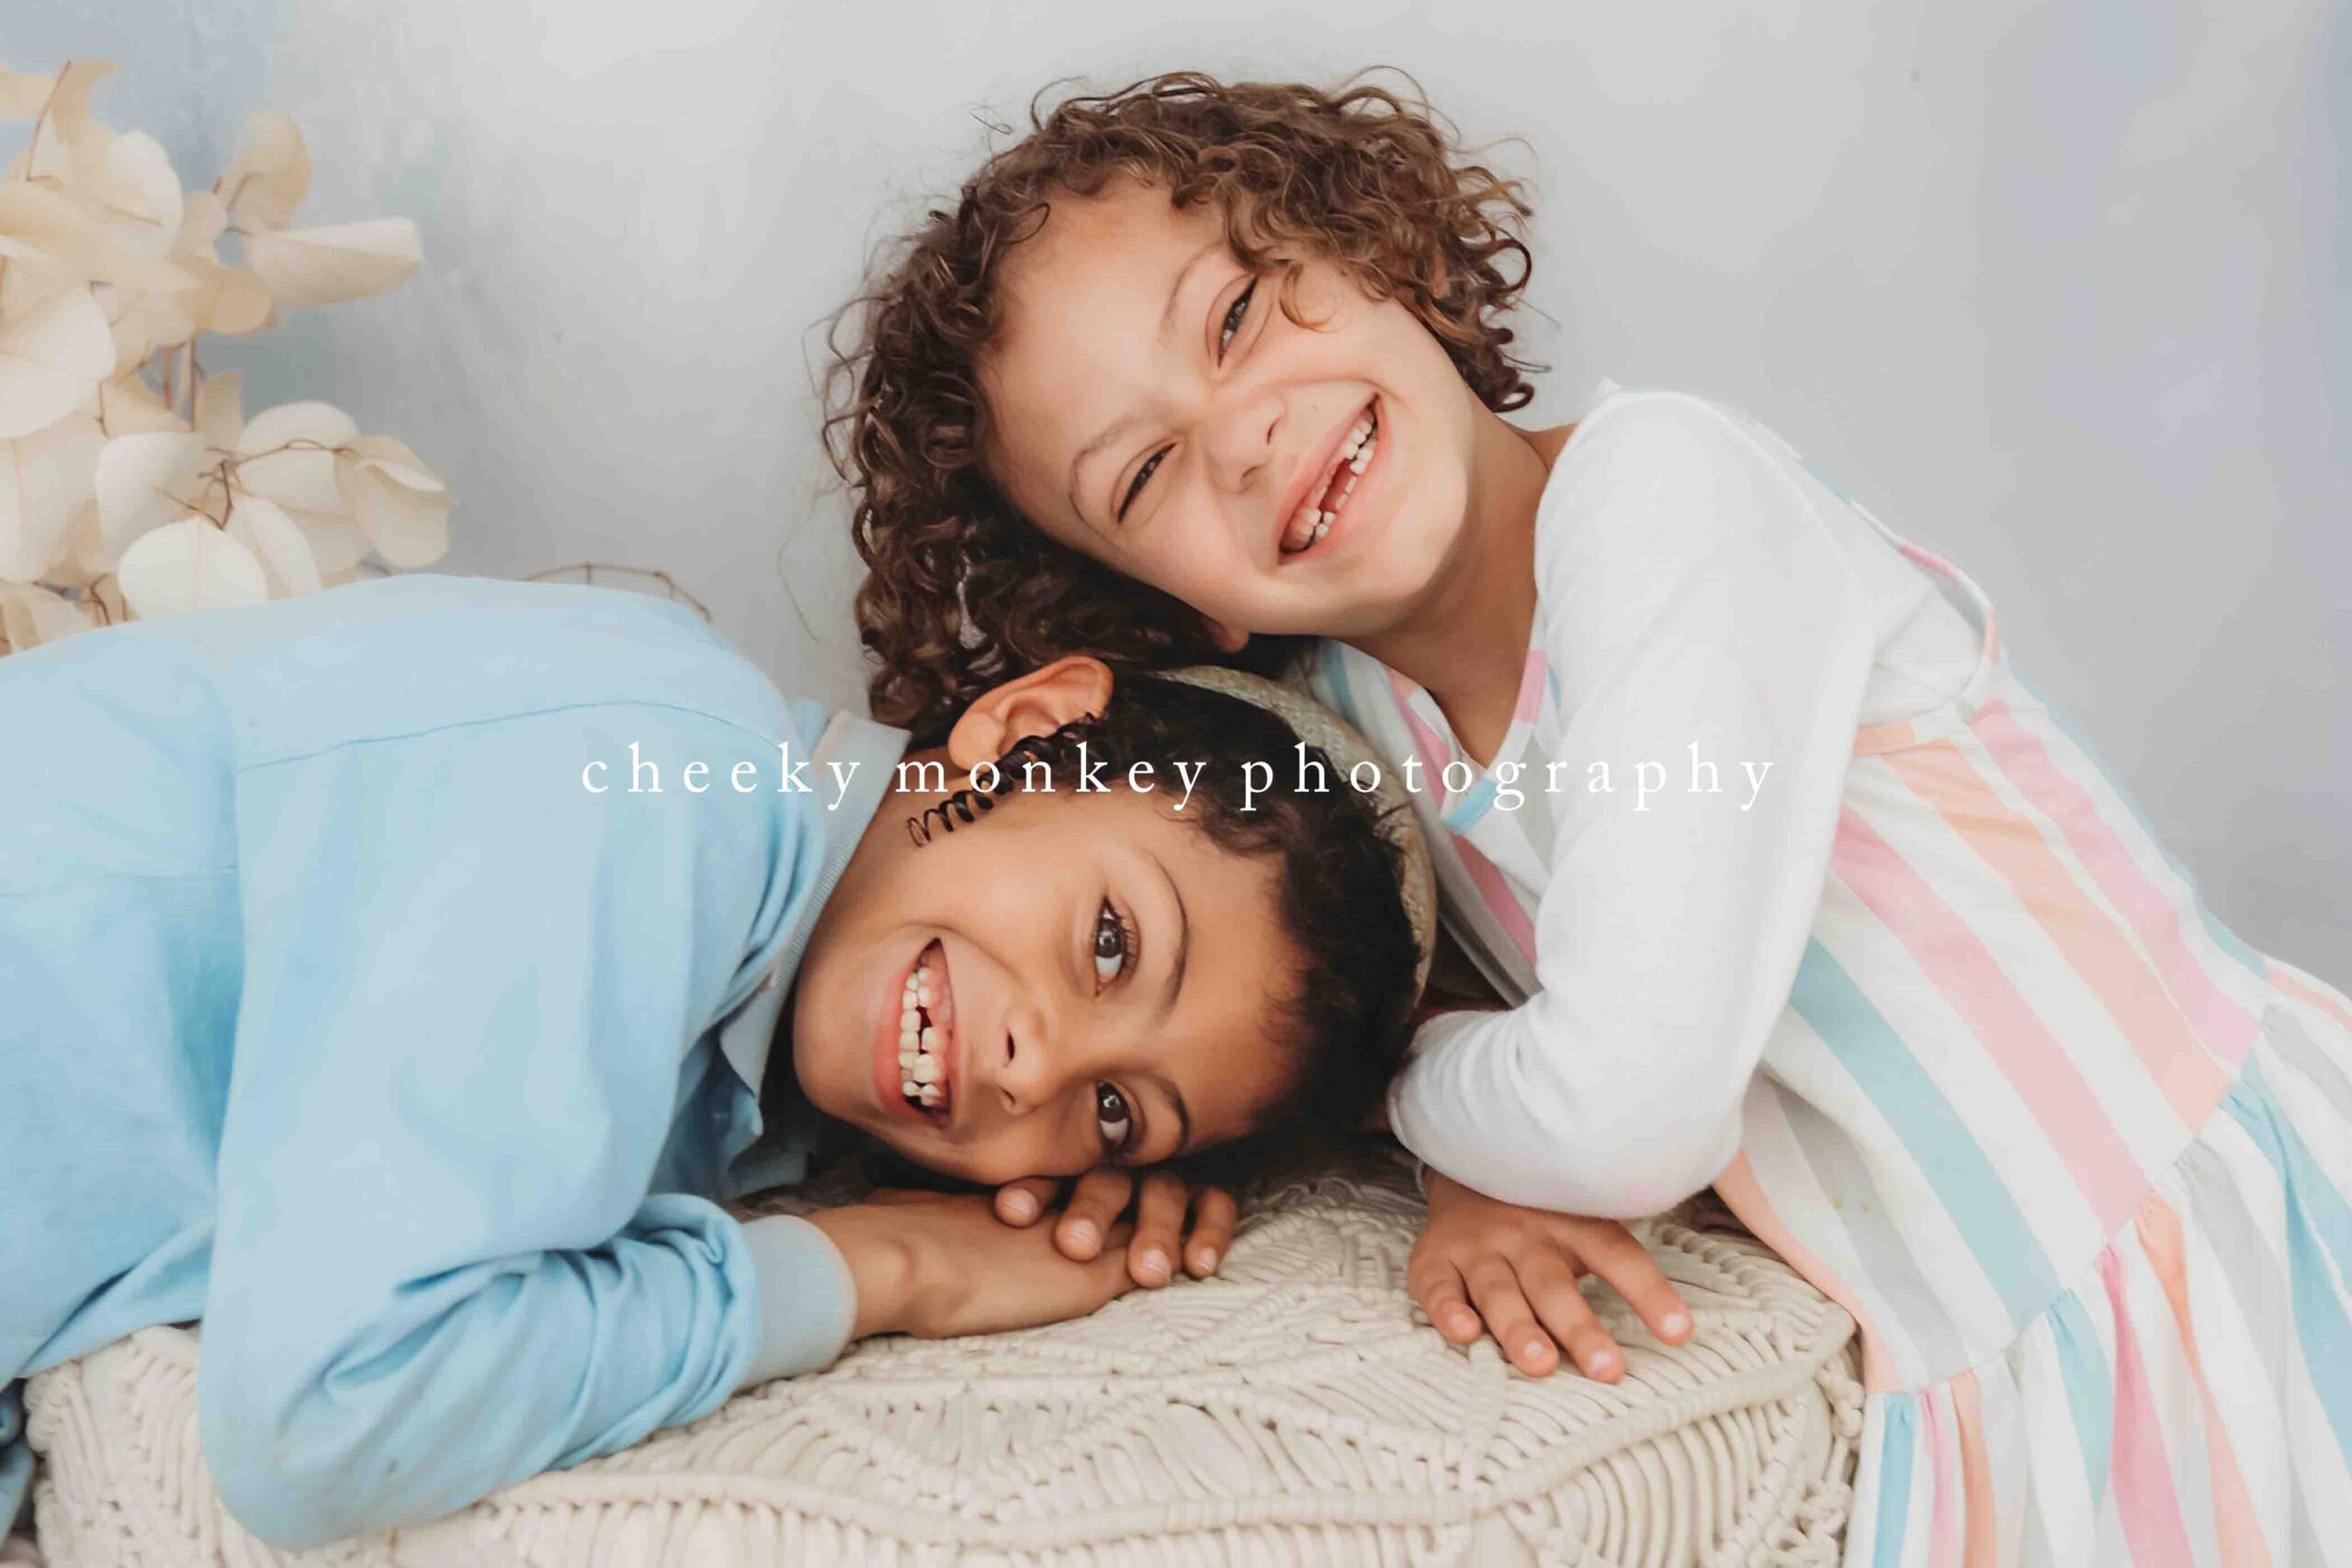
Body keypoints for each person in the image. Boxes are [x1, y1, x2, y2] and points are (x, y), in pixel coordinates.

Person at [828, 70, 2352, 1562]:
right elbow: (1302, 1033)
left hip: (2222, 1261)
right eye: (1147, 473)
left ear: (1371, 248)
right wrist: (1205, 1140)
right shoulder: (1352, 744)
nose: (1241, 438)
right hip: (1987, 1379)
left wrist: (1411, 1099)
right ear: (1165, 608)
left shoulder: (1668, 500)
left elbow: (1627, 1104)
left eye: (1234, 319)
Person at [0, 571, 1433, 1550]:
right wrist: (881, 1269)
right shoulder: (667, 783)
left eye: (1115, 1111)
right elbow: (327, 1414)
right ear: (1022, 730)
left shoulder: (758, 1070)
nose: (1034, 1067)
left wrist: (1100, 1200)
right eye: (1111, 941)